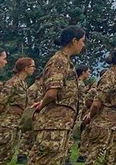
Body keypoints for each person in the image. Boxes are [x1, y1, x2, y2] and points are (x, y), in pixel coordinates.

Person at [29, 25, 86, 165]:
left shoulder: (66, 61)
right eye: (82, 41)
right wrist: (41, 105)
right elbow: (51, 93)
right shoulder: (59, 61)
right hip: (53, 124)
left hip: (61, 123)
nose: (83, 45)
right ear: (74, 41)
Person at [83, 48, 116, 165]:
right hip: (102, 125)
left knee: (108, 159)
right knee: (95, 159)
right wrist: (91, 117)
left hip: (113, 124)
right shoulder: (108, 77)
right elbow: (96, 103)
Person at [0, 56, 34, 165]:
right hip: (6, 125)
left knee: (7, 155)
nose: (34, 69)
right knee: (0, 157)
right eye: (33, 66)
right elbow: (1, 103)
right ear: (25, 68)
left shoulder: (23, 84)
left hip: (15, 124)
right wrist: (3, 118)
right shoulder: (12, 83)